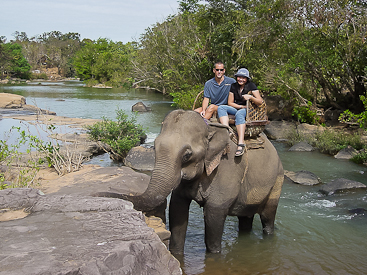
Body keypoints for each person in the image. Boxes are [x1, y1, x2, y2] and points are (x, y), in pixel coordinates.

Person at [217, 68, 263, 157]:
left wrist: (251, 97)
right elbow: (230, 102)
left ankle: (241, 143)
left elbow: (260, 102)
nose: (241, 79)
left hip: (248, 109)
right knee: (221, 108)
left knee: (240, 114)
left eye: (243, 78)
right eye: (239, 77)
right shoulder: (234, 86)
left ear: (247, 79)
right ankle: (227, 131)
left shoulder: (251, 86)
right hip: (238, 107)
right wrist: (241, 106)